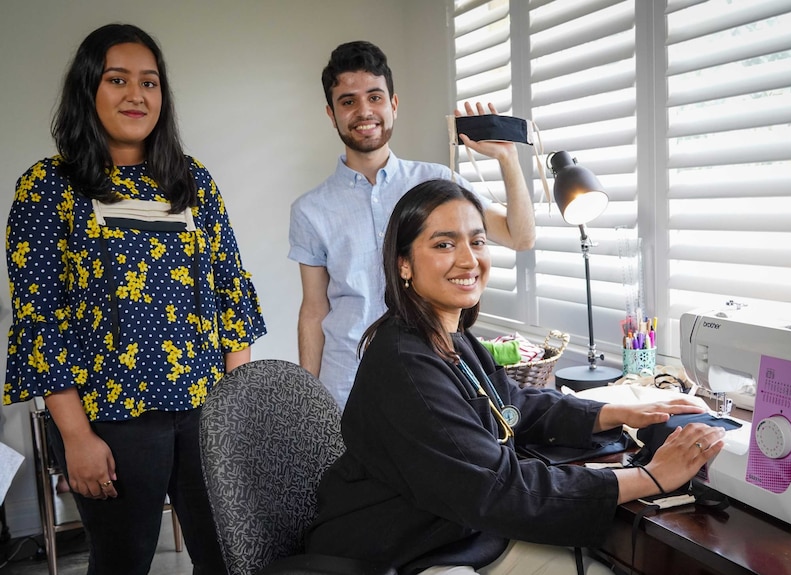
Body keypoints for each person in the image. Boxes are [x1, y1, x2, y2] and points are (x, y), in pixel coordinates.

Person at [304, 179, 726, 574]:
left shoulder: (449, 337)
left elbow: (511, 405)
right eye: (444, 244)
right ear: (404, 265)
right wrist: (651, 476)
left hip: (460, 530)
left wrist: (619, 412)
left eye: (477, 241)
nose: (469, 259)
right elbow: (499, 489)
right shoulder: (404, 364)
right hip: (407, 552)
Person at [3, 24, 266, 575]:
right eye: (117, 79)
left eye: (149, 82)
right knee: (122, 562)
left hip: (204, 413)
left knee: (230, 557)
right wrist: (75, 437)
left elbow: (231, 297)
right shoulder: (49, 187)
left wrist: (231, 418)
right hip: (112, 422)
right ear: (87, 90)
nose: (136, 95)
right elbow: (41, 323)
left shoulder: (191, 181)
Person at [288, 40, 536, 409]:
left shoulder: (437, 182)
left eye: (374, 97)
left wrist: (507, 159)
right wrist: (308, 399)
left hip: (433, 374)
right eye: (348, 101)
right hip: (346, 383)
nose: (364, 111)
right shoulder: (310, 210)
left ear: (394, 105)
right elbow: (314, 310)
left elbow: (520, 236)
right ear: (332, 113)